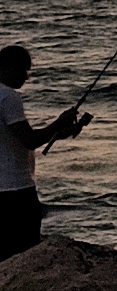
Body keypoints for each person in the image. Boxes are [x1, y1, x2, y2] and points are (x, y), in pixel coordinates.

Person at [0, 45, 89, 261]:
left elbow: (13, 138)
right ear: (6, 67)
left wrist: (58, 133)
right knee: (25, 253)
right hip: (16, 188)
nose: (26, 76)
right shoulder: (8, 96)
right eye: (23, 69)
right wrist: (59, 122)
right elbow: (29, 140)